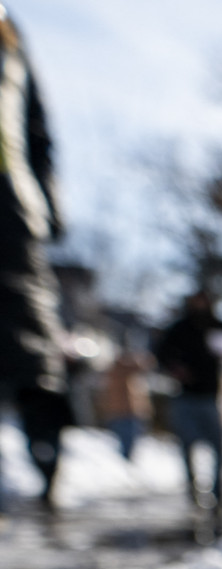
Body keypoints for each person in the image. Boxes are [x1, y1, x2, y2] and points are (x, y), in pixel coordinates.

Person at [0, 7, 69, 514]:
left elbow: (37, 131)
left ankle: (47, 461)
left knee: (30, 348)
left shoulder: (11, 35)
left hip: (12, 209)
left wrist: (48, 202)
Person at [154, 291, 222, 513]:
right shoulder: (179, 328)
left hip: (213, 396)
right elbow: (161, 353)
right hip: (185, 396)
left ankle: (219, 493)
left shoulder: (219, 327)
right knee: (187, 445)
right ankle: (193, 490)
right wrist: (174, 369)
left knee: (219, 447)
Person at [96, 341, 153, 461]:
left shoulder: (112, 370)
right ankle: (125, 463)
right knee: (127, 441)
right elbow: (146, 364)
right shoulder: (123, 369)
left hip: (121, 412)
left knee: (127, 441)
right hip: (126, 412)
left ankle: (125, 462)